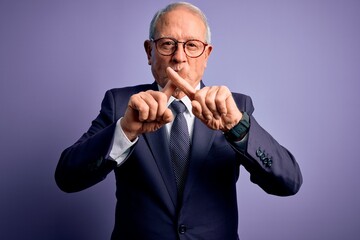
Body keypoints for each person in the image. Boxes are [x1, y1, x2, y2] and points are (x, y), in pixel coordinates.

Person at [55, 2, 302, 240]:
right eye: (167, 44)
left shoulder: (235, 108)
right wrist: (125, 130)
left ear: (207, 54)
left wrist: (236, 126)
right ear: (149, 51)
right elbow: (67, 177)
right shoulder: (120, 103)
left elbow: (288, 182)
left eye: (192, 45)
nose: (179, 57)